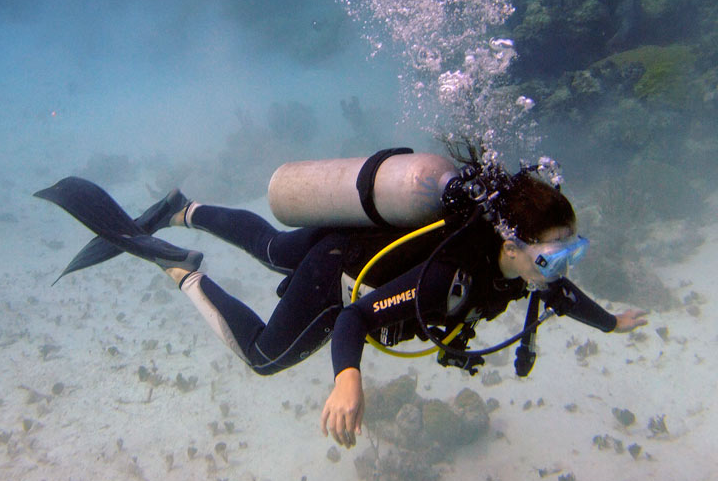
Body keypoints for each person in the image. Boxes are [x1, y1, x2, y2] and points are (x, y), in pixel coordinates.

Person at [35, 148, 647, 449]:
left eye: (573, 249)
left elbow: (560, 292)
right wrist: (347, 378)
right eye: (553, 253)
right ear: (510, 242)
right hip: (340, 277)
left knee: (276, 248)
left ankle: (180, 209)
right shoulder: (448, 277)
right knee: (265, 357)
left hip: (355, 235)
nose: (561, 266)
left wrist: (609, 322)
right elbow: (355, 317)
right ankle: (182, 269)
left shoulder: (519, 266)